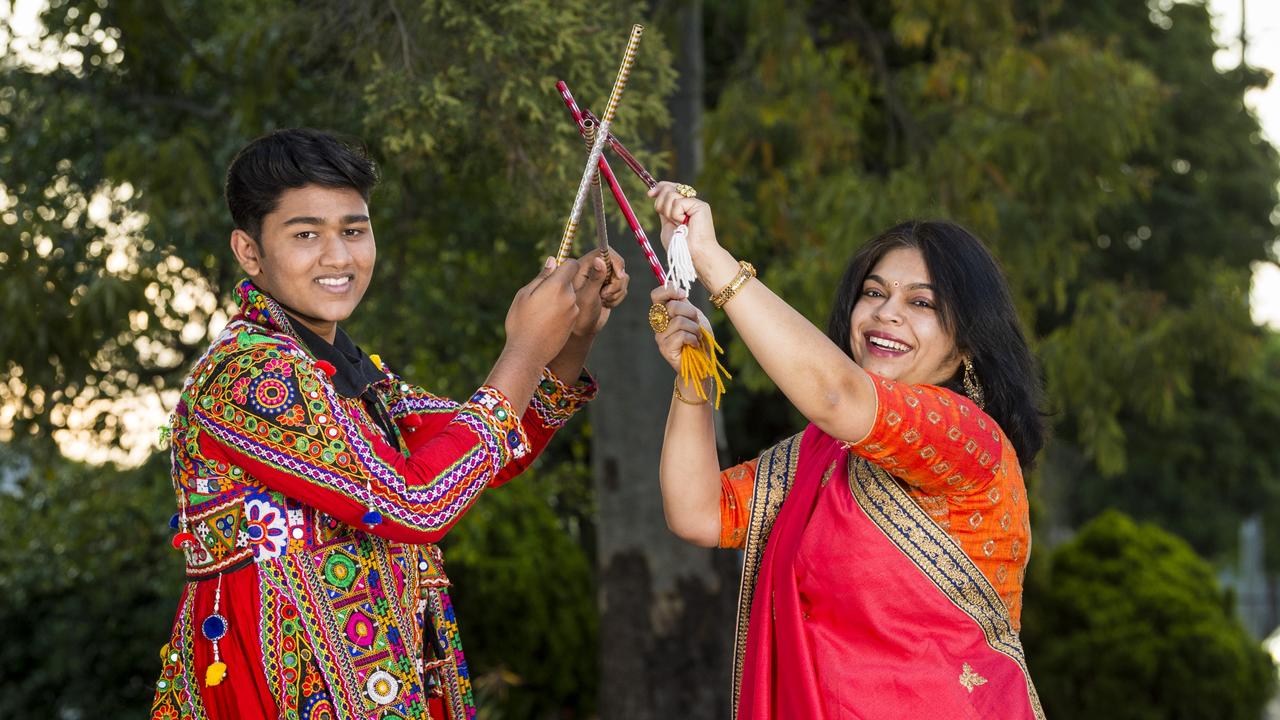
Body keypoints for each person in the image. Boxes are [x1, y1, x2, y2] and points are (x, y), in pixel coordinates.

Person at [150, 128, 628, 720]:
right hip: (273, 683)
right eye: (306, 235)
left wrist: (571, 338)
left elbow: (475, 455)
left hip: (374, 674)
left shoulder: (344, 370)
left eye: (354, 230)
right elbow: (416, 504)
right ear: (250, 252)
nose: (339, 257)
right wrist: (524, 350)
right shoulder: (250, 376)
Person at [646, 182, 1045, 719]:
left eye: (921, 302)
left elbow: (835, 394)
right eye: (874, 292)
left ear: (967, 343)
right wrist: (693, 375)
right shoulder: (824, 454)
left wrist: (712, 262)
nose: (887, 313)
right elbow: (700, 512)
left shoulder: (968, 438)